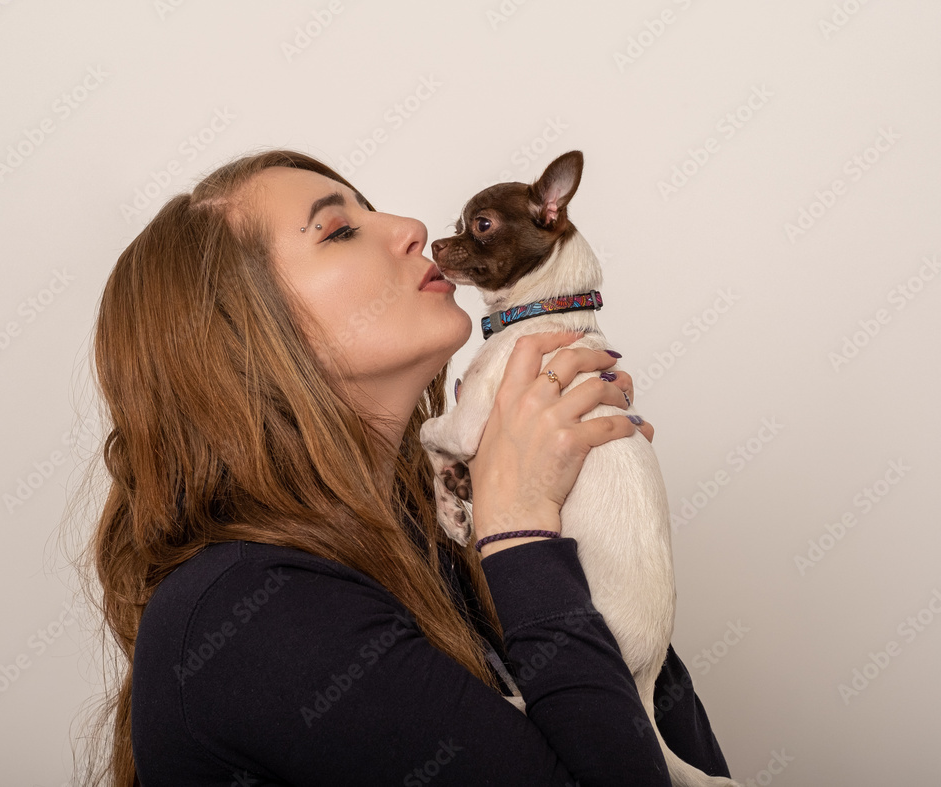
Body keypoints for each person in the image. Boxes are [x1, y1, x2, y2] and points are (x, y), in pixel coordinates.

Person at [77, 149, 732, 786]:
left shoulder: (441, 544)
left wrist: (581, 508)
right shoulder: (245, 612)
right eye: (338, 230)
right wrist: (522, 530)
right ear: (238, 335)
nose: (413, 228)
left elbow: (677, 756)